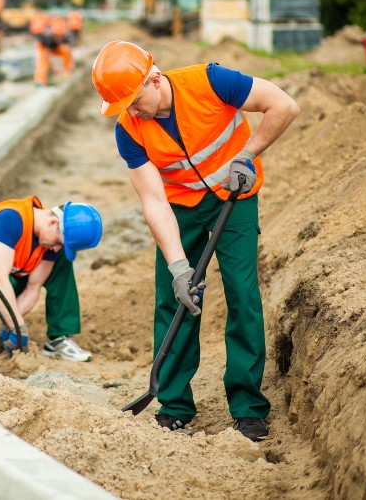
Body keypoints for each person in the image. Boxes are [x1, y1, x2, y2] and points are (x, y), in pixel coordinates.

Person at [90, 40, 299, 442]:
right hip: (181, 205)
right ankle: (175, 406)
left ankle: (248, 407)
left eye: (134, 101)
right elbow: (153, 200)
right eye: (123, 108)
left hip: (234, 194)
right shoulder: (128, 131)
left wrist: (248, 154)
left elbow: (284, 106)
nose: (132, 112)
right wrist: (179, 268)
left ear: (154, 79)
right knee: (174, 297)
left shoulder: (211, 81)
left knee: (241, 291)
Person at [0, 196, 103, 364]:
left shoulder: (49, 237)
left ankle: (58, 339)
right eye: (58, 242)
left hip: (3, 281)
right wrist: (17, 325)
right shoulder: (10, 219)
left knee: (61, 261)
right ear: (53, 223)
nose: (56, 248)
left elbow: (34, 286)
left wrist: (11, 322)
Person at [31, 14, 74, 86]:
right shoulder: (46, 38)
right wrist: (51, 64)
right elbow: (46, 50)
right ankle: (40, 80)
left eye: (60, 37)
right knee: (43, 61)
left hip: (56, 48)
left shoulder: (66, 37)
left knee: (65, 51)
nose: (59, 39)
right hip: (44, 48)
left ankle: (65, 72)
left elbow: (68, 49)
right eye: (57, 37)